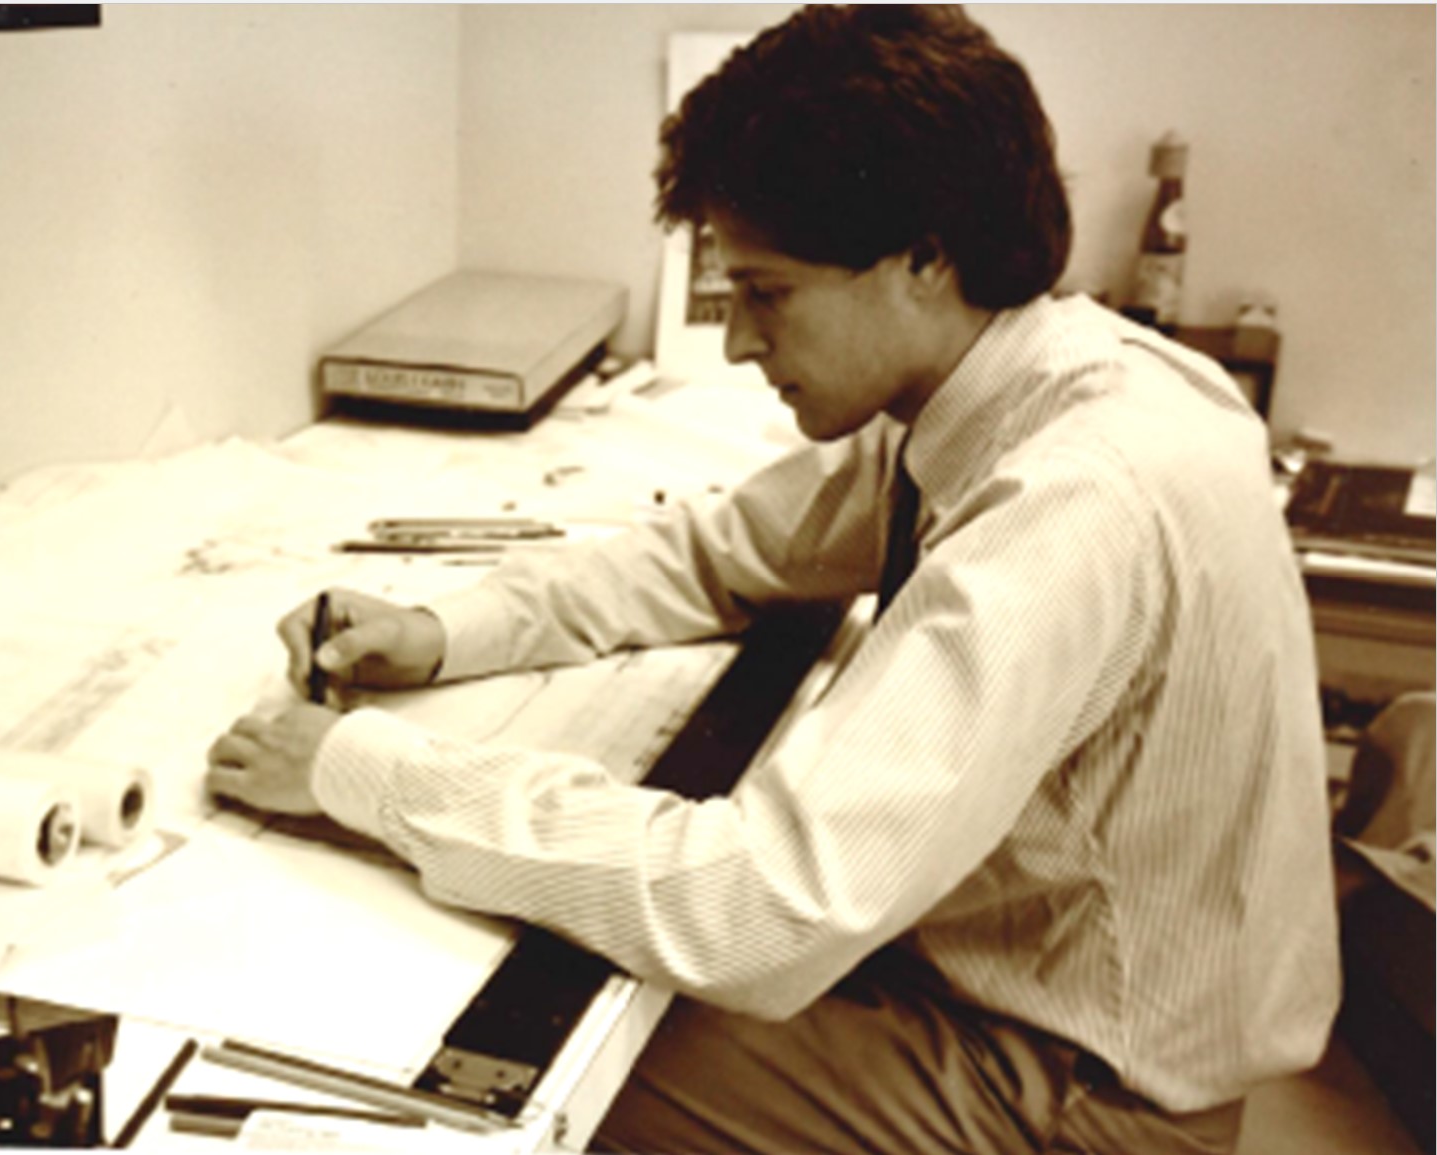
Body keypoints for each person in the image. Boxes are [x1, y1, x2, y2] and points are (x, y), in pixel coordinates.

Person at [206, 7, 1340, 1152]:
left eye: (769, 293)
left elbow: (758, 907)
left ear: (924, 257)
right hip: (1032, 993)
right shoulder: (1025, 383)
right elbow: (721, 553)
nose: (742, 343)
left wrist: (366, 774)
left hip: (1080, 1089)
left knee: (496, 1065)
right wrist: (446, 629)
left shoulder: (1071, 496)